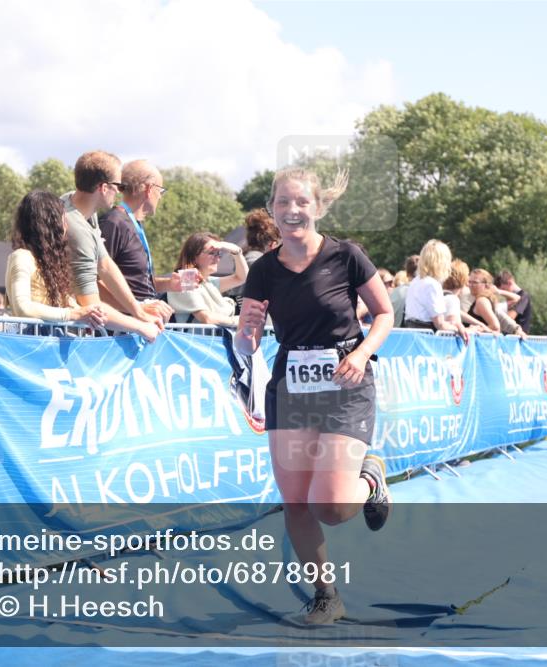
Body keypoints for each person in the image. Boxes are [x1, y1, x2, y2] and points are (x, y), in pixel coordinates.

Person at [235, 167, 394, 625]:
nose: (291, 210)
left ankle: (369, 481)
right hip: (292, 387)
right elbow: (247, 338)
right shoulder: (264, 270)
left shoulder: (347, 257)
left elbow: (383, 313)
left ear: (318, 207)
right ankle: (326, 595)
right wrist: (246, 335)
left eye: (301, 202)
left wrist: (363, 353)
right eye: (282, 202)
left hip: (346, 381)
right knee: (297, 501)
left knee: (333, 505)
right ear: (272, 209)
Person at [6, 191, 160, 341]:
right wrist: (73, 314)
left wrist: (139, 321)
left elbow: (84, 310)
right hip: (31, 345)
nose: (66, 225)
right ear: (51, 223)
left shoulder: (50, 265)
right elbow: (23, 308)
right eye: (63, 219)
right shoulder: (22, 257)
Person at [62, 151, 165, 332]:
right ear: (103, 188)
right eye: (117, 185)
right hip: (54, 331)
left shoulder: (76, 203)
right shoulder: (77, 230)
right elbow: (92, 306)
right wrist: (141, 326)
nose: (119, 191)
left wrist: (138, 311)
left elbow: (105, 264)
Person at [97, 159, 187, 321]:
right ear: (149, 189)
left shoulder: (132, 223)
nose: (160, 197)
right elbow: (93, 282)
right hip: (120, 330)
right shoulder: (114, 222)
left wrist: (168, 284)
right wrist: (136, 308)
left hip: (139, 325)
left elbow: (134, 283)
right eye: (161, 191)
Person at [167, 232, 248, 326]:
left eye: (219, 253)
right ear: (194, 256)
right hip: (194, 340)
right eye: (212, 253)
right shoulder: (186, 279)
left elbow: (241, 277)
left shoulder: (207, 282)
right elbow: (207, 318)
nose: (217, 258)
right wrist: (239, 321)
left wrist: (236, 251)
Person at [404, 241, 469, 340]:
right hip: (425, 338)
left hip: (413, 334)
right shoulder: (432, 284)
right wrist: (459, 329)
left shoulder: (416, 281)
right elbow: (440, 324)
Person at [390, 255, 419, 328]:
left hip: (392, 334)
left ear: (407, 273)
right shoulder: (420, 293)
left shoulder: (395, 292)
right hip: (410, 335)